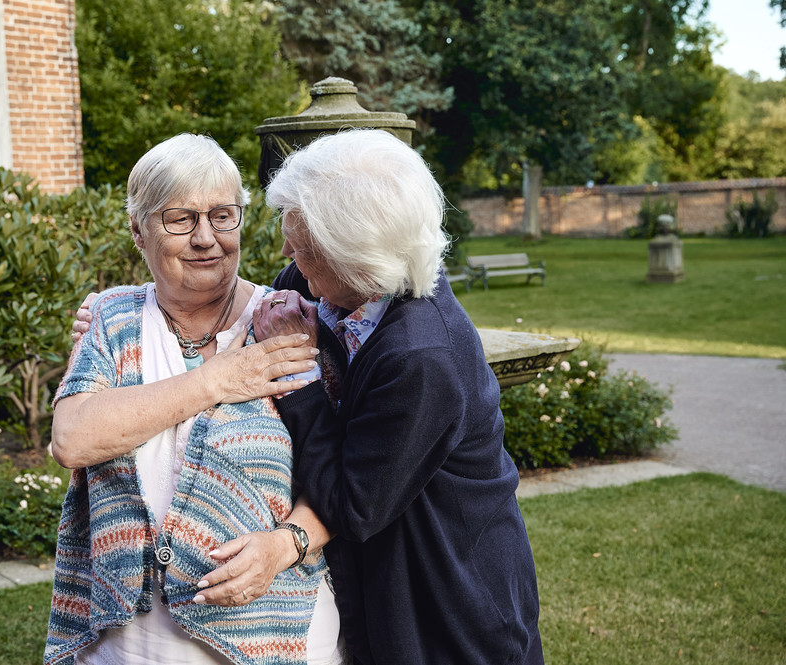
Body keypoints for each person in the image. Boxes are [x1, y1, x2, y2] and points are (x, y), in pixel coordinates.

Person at [45, 133, 345, 665]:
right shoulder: (113, 320)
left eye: (222, 215)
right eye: (180, 219)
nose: (206, 237)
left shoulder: (288, 321)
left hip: (269, 632)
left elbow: (347, 475)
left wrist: (287, 546)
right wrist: (216, 381)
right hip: (132, 644)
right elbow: (72, 438)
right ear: (139, 232)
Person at [249, 129, 544, 665]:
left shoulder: (422, 357)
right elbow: (254, 311)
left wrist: (296, 372)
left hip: (448, 601)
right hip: (382, 588)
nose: (287, 254)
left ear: (357, 257)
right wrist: (125, 308)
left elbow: (352, 506)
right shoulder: (324, 282)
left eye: (304, 246)